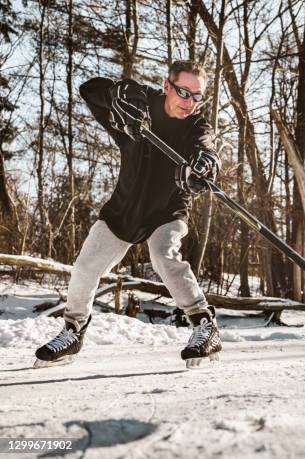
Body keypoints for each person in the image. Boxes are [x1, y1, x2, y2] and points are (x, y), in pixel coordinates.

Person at [34, 60, 221, 369]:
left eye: (197, 96)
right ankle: (73, 330)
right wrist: (122, 94)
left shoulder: (196, 126)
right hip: (124, 208)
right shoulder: (138, 108)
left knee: (163, 256)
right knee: (85, 266)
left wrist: (204, 163)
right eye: (184, 92)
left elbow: (207, 148)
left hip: (167, 210)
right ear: (166, 86)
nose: (190, 102)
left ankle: (204, 326)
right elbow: (90, 89)